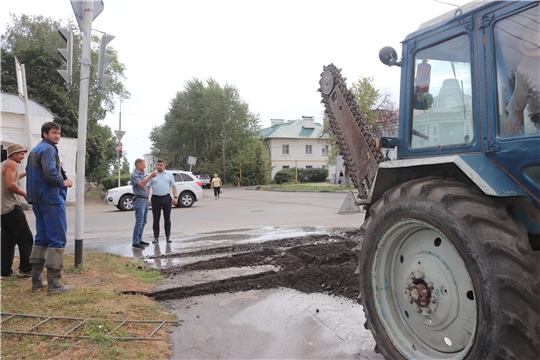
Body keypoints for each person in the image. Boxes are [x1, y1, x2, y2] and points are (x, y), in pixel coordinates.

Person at [26, 122, 74, 294]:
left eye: (59, 133)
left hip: (38, 200)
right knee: (57, 239)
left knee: (42, 239)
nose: (57, 136)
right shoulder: (48, 149)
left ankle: (37, 282)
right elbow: (51, 173)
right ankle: (55, 285)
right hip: (51, 199)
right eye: (54, 133)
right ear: (45, 134)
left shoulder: (36, 150)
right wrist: (64, 182)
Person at [1, 144, 34, 280]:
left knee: (7, 240)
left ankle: (4, 271)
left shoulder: (4, 164)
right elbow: (10, 184)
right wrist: (24, 194)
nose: (23, 156)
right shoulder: (12, 163)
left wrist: (26, 173)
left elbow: (12, 178)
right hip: (12, 207)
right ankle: (26, 269)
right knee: (25, 238)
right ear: (13, 154)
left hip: (3, 209)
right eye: (21, 153)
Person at [147, 159, 177, 243]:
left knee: (167, 218)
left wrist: (175, 197)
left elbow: (173, 186)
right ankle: (155, 236)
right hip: (155, 198)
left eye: (160, 165)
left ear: (164, 165)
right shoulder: (152, 175)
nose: (159, 166)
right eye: (157, 165)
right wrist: (147, 198)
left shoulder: (169, 175)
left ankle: (168, 236)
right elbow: (148, 187)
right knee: (156, 218)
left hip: (166, 197)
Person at [130, 158, 156, 249]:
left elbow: (144, 187)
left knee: (143, 221)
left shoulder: (141, 174)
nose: (145, 166)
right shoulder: (135, 175)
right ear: (138, 165)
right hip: (139, 200)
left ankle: (139, 239)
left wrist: (147, 198)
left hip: (144, 199)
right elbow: (140, 184)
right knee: (139, 222)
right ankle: (135, 241)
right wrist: (151, 176)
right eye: (144, 164)